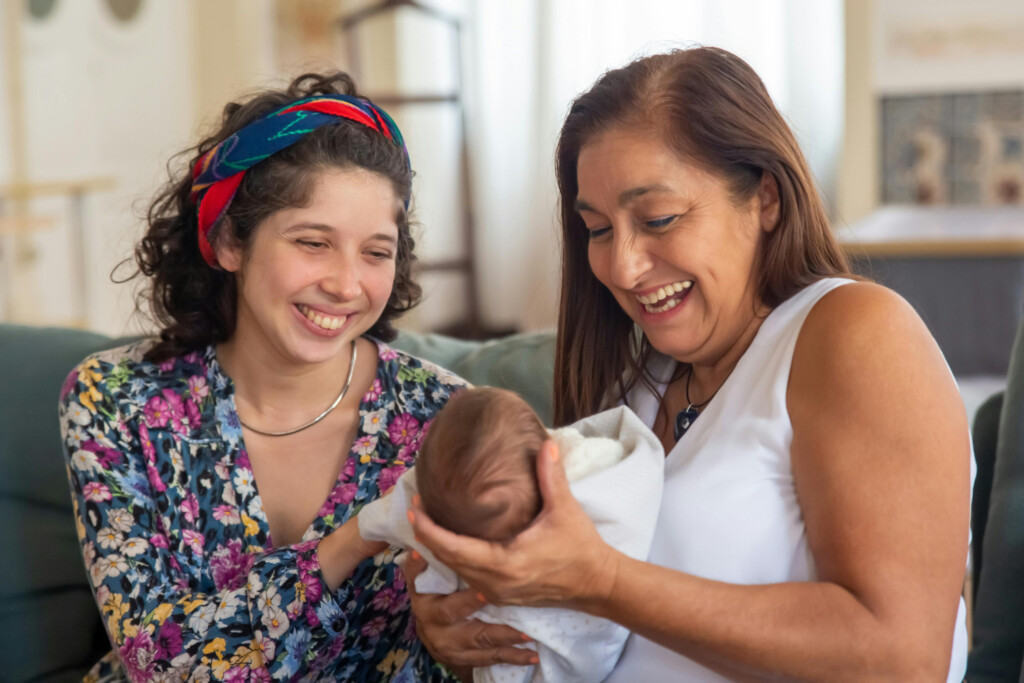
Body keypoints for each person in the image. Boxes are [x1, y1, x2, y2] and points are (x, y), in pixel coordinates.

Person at [405, 47, 974, 681]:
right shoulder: (633, 384)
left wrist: (603, 581)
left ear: (765, 198)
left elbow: (903, 657)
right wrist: (470, 629)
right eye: (596, 228)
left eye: (658, 219)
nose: (621, 267)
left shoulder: (853, 333)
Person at [58, 73, 530, 681]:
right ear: (230, 239)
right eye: (313, 242)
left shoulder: (446, 419)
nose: (346, 284)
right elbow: (157, 662)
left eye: (376, 252)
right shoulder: (113, 400)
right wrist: (355, 538)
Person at [357, 387, 664, 682]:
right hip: (571, 651)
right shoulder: (595, 458)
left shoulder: (577, 490)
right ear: (550, 447)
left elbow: (387, 516)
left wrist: (368, 526)